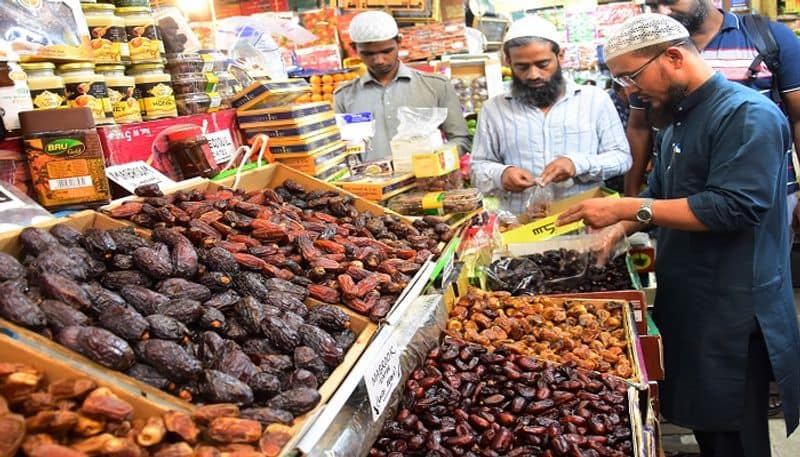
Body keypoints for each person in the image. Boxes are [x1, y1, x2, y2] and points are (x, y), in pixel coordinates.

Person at [559, 14, 800, 457]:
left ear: (672, 57)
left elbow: (733, 207)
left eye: (631, 76)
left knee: (735, 433)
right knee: (708, 423)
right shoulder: (676, 118)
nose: (629, 91)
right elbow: (662, 194)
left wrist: (624, 206)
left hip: (733, 306)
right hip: (691, 297)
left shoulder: (748, 117)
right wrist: (619, 227)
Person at [623, 0, 800, 221]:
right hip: (675, 199)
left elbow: (798, 117)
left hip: (760, 195)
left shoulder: (768, 37)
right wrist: (630, 202)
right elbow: (640, 126)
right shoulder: (647, 57)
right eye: (653, 5)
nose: (662, 12)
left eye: (669, 2)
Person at [469, 15, 631, 215]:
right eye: (522, 67)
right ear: (508, 61)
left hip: (584, 224)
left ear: (560, 56)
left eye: (543, 64)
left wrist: (577, 164)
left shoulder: (594, 100)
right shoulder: (494, 109)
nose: (533, 74)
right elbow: (477, 168)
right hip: (522, 228)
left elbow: (621, 157)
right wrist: (502, 174)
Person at [333, 11, 470, 161]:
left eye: (386, 51)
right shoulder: (344, 97)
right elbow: (349, 152)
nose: (379, 60)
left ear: (399, 41)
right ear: (354, 48)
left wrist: (434, 161)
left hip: (426, 182)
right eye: (369, 54)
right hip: (372, 182)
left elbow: (460, 139)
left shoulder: (436, 86)